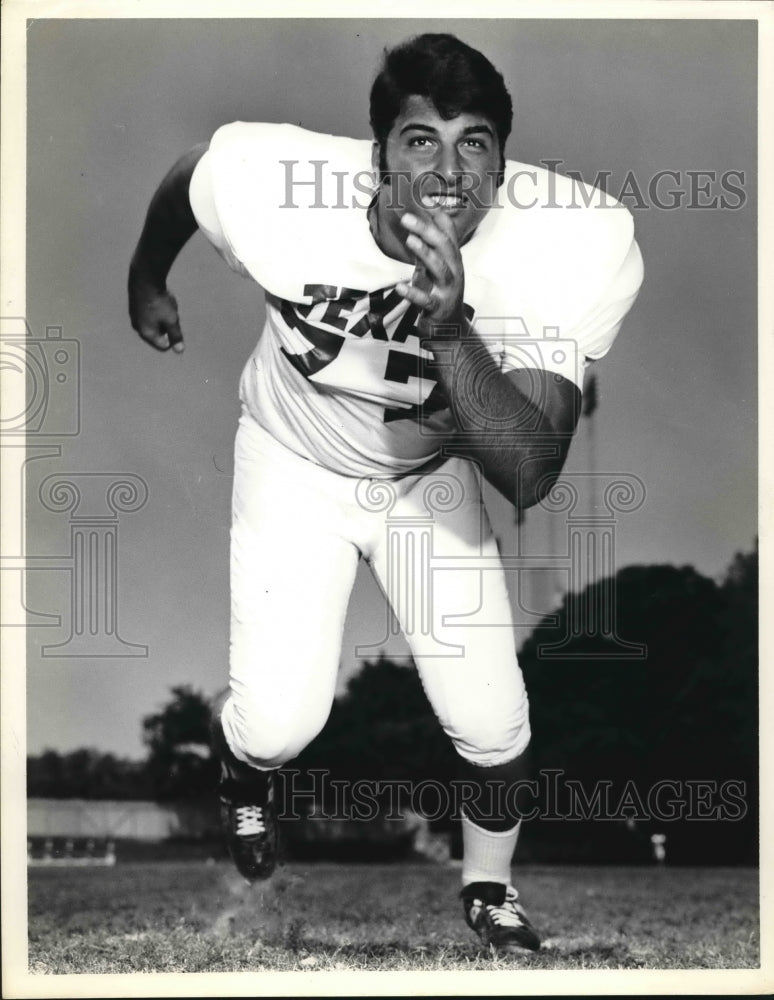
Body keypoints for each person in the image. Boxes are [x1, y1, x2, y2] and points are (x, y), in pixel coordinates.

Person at [128, 33, 643, 954]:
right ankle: (245, 778)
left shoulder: (571, 238)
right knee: (281, 723)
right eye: (420, 142)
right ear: (376, 155)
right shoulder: (275, 182)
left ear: (503, 157)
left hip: (428, 475)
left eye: (474, 142)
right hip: (293, 459)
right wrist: (146, 280)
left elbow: (528, 471)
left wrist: (450, 326)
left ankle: (489, 887)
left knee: (492, 723)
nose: (449, 174)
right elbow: (188, 179)